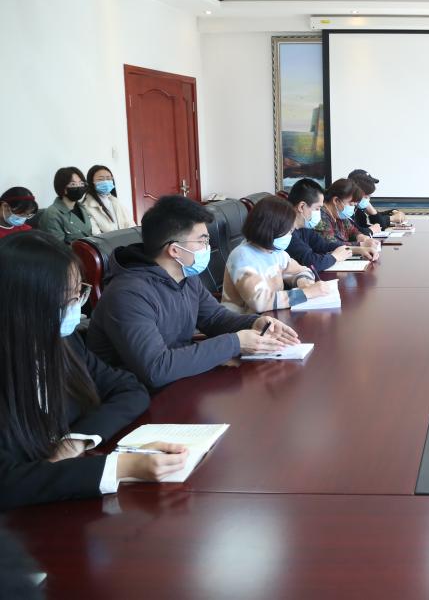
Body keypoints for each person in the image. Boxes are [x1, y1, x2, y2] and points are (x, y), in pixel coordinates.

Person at [0, 231, 188, 510]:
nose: (77, 308)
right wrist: (119, 467)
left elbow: (129, 388)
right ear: (25, 305)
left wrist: (76, 441)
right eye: (68, 298)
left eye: (80, 293)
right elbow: (7, 483)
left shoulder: (65, 342)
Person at [87, 195, 298, 391]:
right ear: (174, 250)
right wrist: (235, 343)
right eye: (202, 241)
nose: (208, 247)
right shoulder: (127, 294)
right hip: (136, 396)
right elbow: (156, 368)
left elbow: (215, 318)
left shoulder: (185, 276)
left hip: (180, 380)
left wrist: (254, 323)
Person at [221, 196, 336, 314]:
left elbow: (302, 270)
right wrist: (306, 293)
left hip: (272, 316)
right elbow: (260, 302)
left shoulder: (276, 252)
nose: (290, 235)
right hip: (245, 322)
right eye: (289, 230)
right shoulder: (242, 256)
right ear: (271, 228)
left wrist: (303, 282)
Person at [284, 178, 353, 272]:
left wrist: (355, 249)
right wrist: (335, 257)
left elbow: (323, 246)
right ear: (301, 207)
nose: (319, 212)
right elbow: (311, 262)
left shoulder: (304, 227)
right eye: (317, 208)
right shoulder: (285, 232)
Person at [315, 178, 381, 261]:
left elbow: (352, 230)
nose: (352, 207)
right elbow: (330, 244)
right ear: (336, 200)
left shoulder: (339, 214)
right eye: (350, 204)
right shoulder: (320, 215)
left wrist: (360, 236)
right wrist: (361, 245)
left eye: (354, 205)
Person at [36, 167, 93, 243]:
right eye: (73, 184)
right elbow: (57, 247)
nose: (79, 187)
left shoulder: (82, 207)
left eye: (81, 183)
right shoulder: (52, 215)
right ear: (62, 188)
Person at [81, 164, 136, 233]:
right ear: (91, 182)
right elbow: (95, 234)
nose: (105, 182)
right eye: (100, 179)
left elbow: (130, 224)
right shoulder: (87, 206)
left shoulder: (115, 201)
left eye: (108, 178)